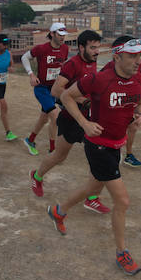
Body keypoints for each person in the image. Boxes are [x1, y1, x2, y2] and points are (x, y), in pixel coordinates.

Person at [46, 36, 141, 275]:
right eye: (132, 56)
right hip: (98, 145)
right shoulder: (99, 79)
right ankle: (121, 253)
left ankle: (59, 210)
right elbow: (65, 96)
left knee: (92, 186)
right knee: (122, 201)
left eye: (139, 55)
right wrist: (84, 123)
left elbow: (140, 101)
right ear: (117, 56)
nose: (137, 61)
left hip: (116, 144)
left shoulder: (138, 79)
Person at [30, 30, 109, 213]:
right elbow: (56, 91)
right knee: (60, 156)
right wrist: (83, 100)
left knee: (100, 156)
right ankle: (37, 176)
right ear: (81, 47)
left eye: (98, 47)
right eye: (93, 47)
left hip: (89, 118)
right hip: (71, 119)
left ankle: (92, 198)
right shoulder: (72, 64)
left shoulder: (93, 62)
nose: (97, 51)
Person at [21, 22, 70, 155]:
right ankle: (53, 149)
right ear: (52, 34)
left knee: (44, 117)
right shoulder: (42, 48)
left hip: (54, 89)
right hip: (41, 88)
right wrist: (31, 74)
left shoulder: (65, 49)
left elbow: (63, 66)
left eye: (63, 35)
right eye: (59, 35)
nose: (62, 38)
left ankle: (30, 140)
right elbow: (24, 57)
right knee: (55, 115)